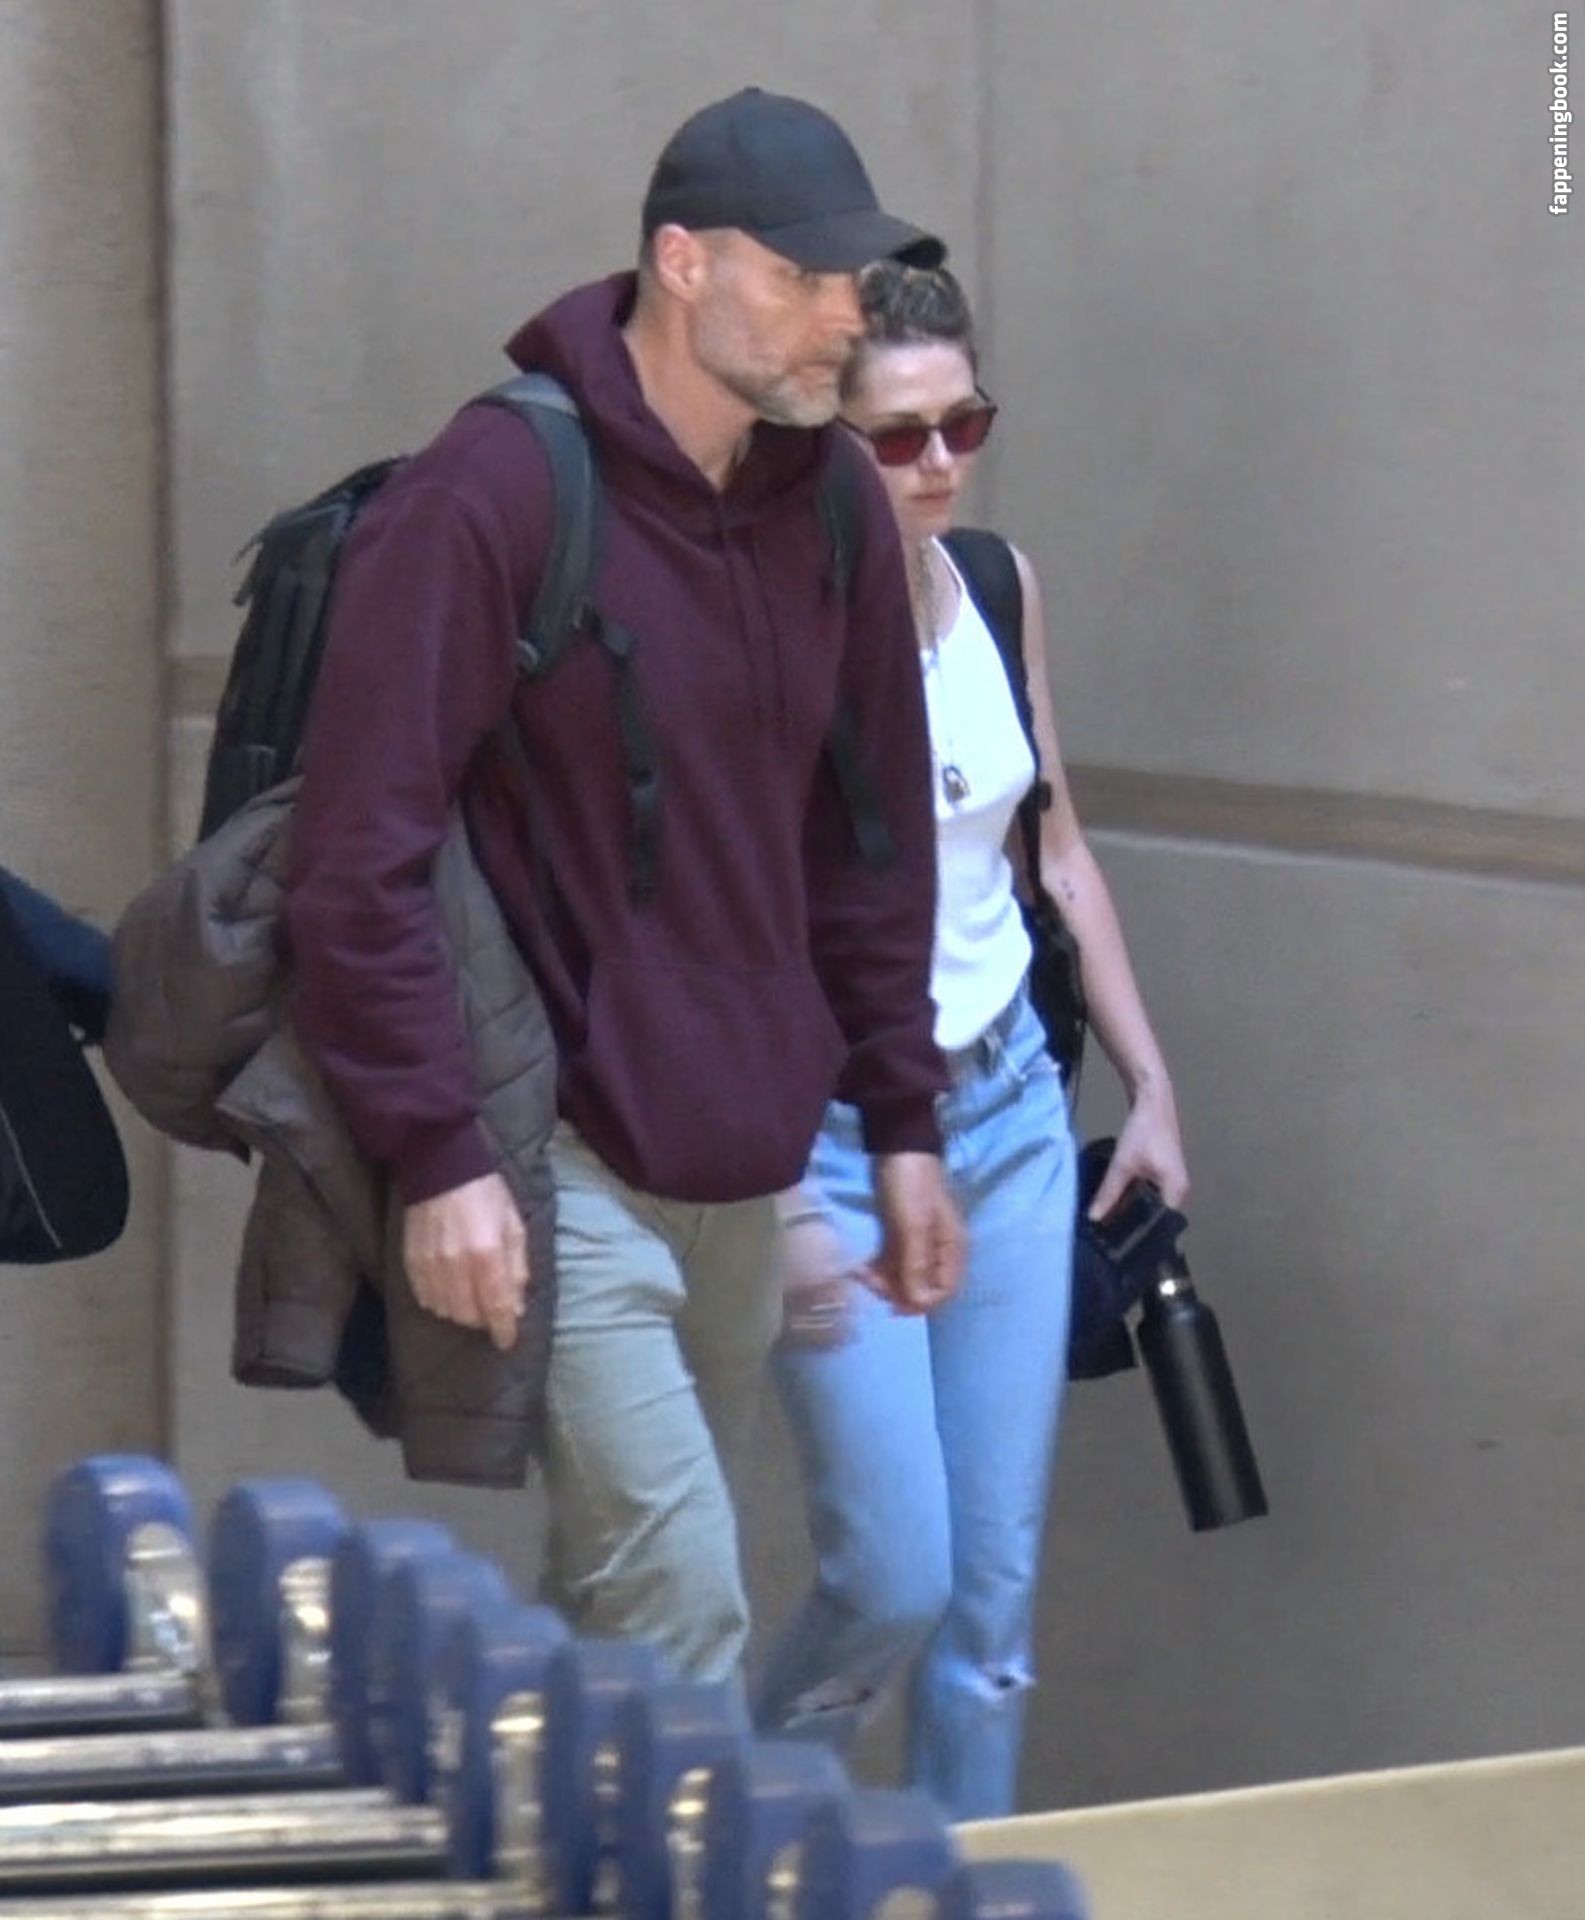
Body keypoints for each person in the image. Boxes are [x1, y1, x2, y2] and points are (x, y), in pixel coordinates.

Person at [281, 90, 966, 1682]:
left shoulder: (832, 505)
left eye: (852, 283)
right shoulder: (495, 487)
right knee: (679, 1617)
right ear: (680, 262)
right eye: (800, 279)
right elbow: (355, 857)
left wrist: (903, 1117)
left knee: (616, 1650)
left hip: (743, 1165)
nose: (842, 318)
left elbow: (869, 847)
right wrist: (439, 1150)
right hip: (555, 1156)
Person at [753, 262, 1190, 1818]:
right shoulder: (768, 632)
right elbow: (720, 944)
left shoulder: (996, 585)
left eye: (964, 424)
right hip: (828, 1139)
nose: (938, 463)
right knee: (892, 1577)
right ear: (823, 439)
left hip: (1005, 1111)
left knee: (991, 1620)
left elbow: (1052, 852)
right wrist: (781, 1203)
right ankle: (744, 1853)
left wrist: (1148, 1086)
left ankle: (962, 1886)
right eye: (898, 436)